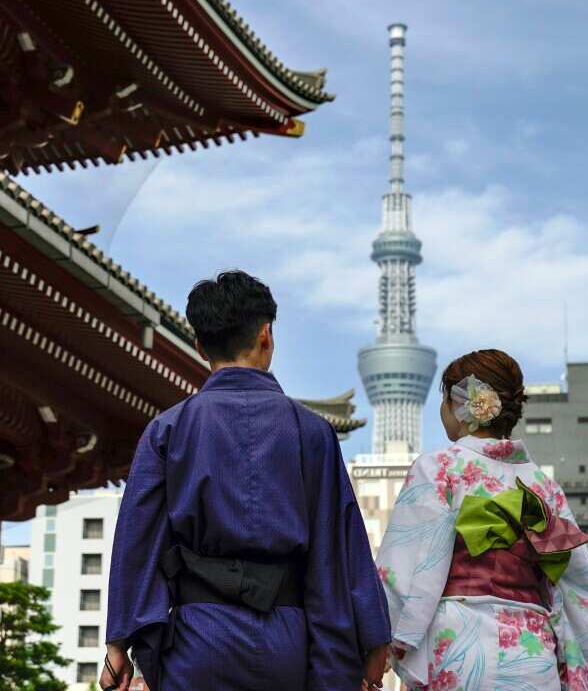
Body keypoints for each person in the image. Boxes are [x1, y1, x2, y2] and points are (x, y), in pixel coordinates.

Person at [101, 271, 391, 691]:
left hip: (197, 637)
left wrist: (118, 642)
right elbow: (339, 545)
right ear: (266, 336)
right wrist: (372, 637)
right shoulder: (312, 432)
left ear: (199, 346)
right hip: (289, 639)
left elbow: (138, 540)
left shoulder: (168, 430)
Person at [375, 350, 588, 690]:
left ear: (461, 405)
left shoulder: (439, 468)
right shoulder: (544, 486)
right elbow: (577, 581)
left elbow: (406, 568)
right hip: (533, 649)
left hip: (459, 646)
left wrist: (380, 642)